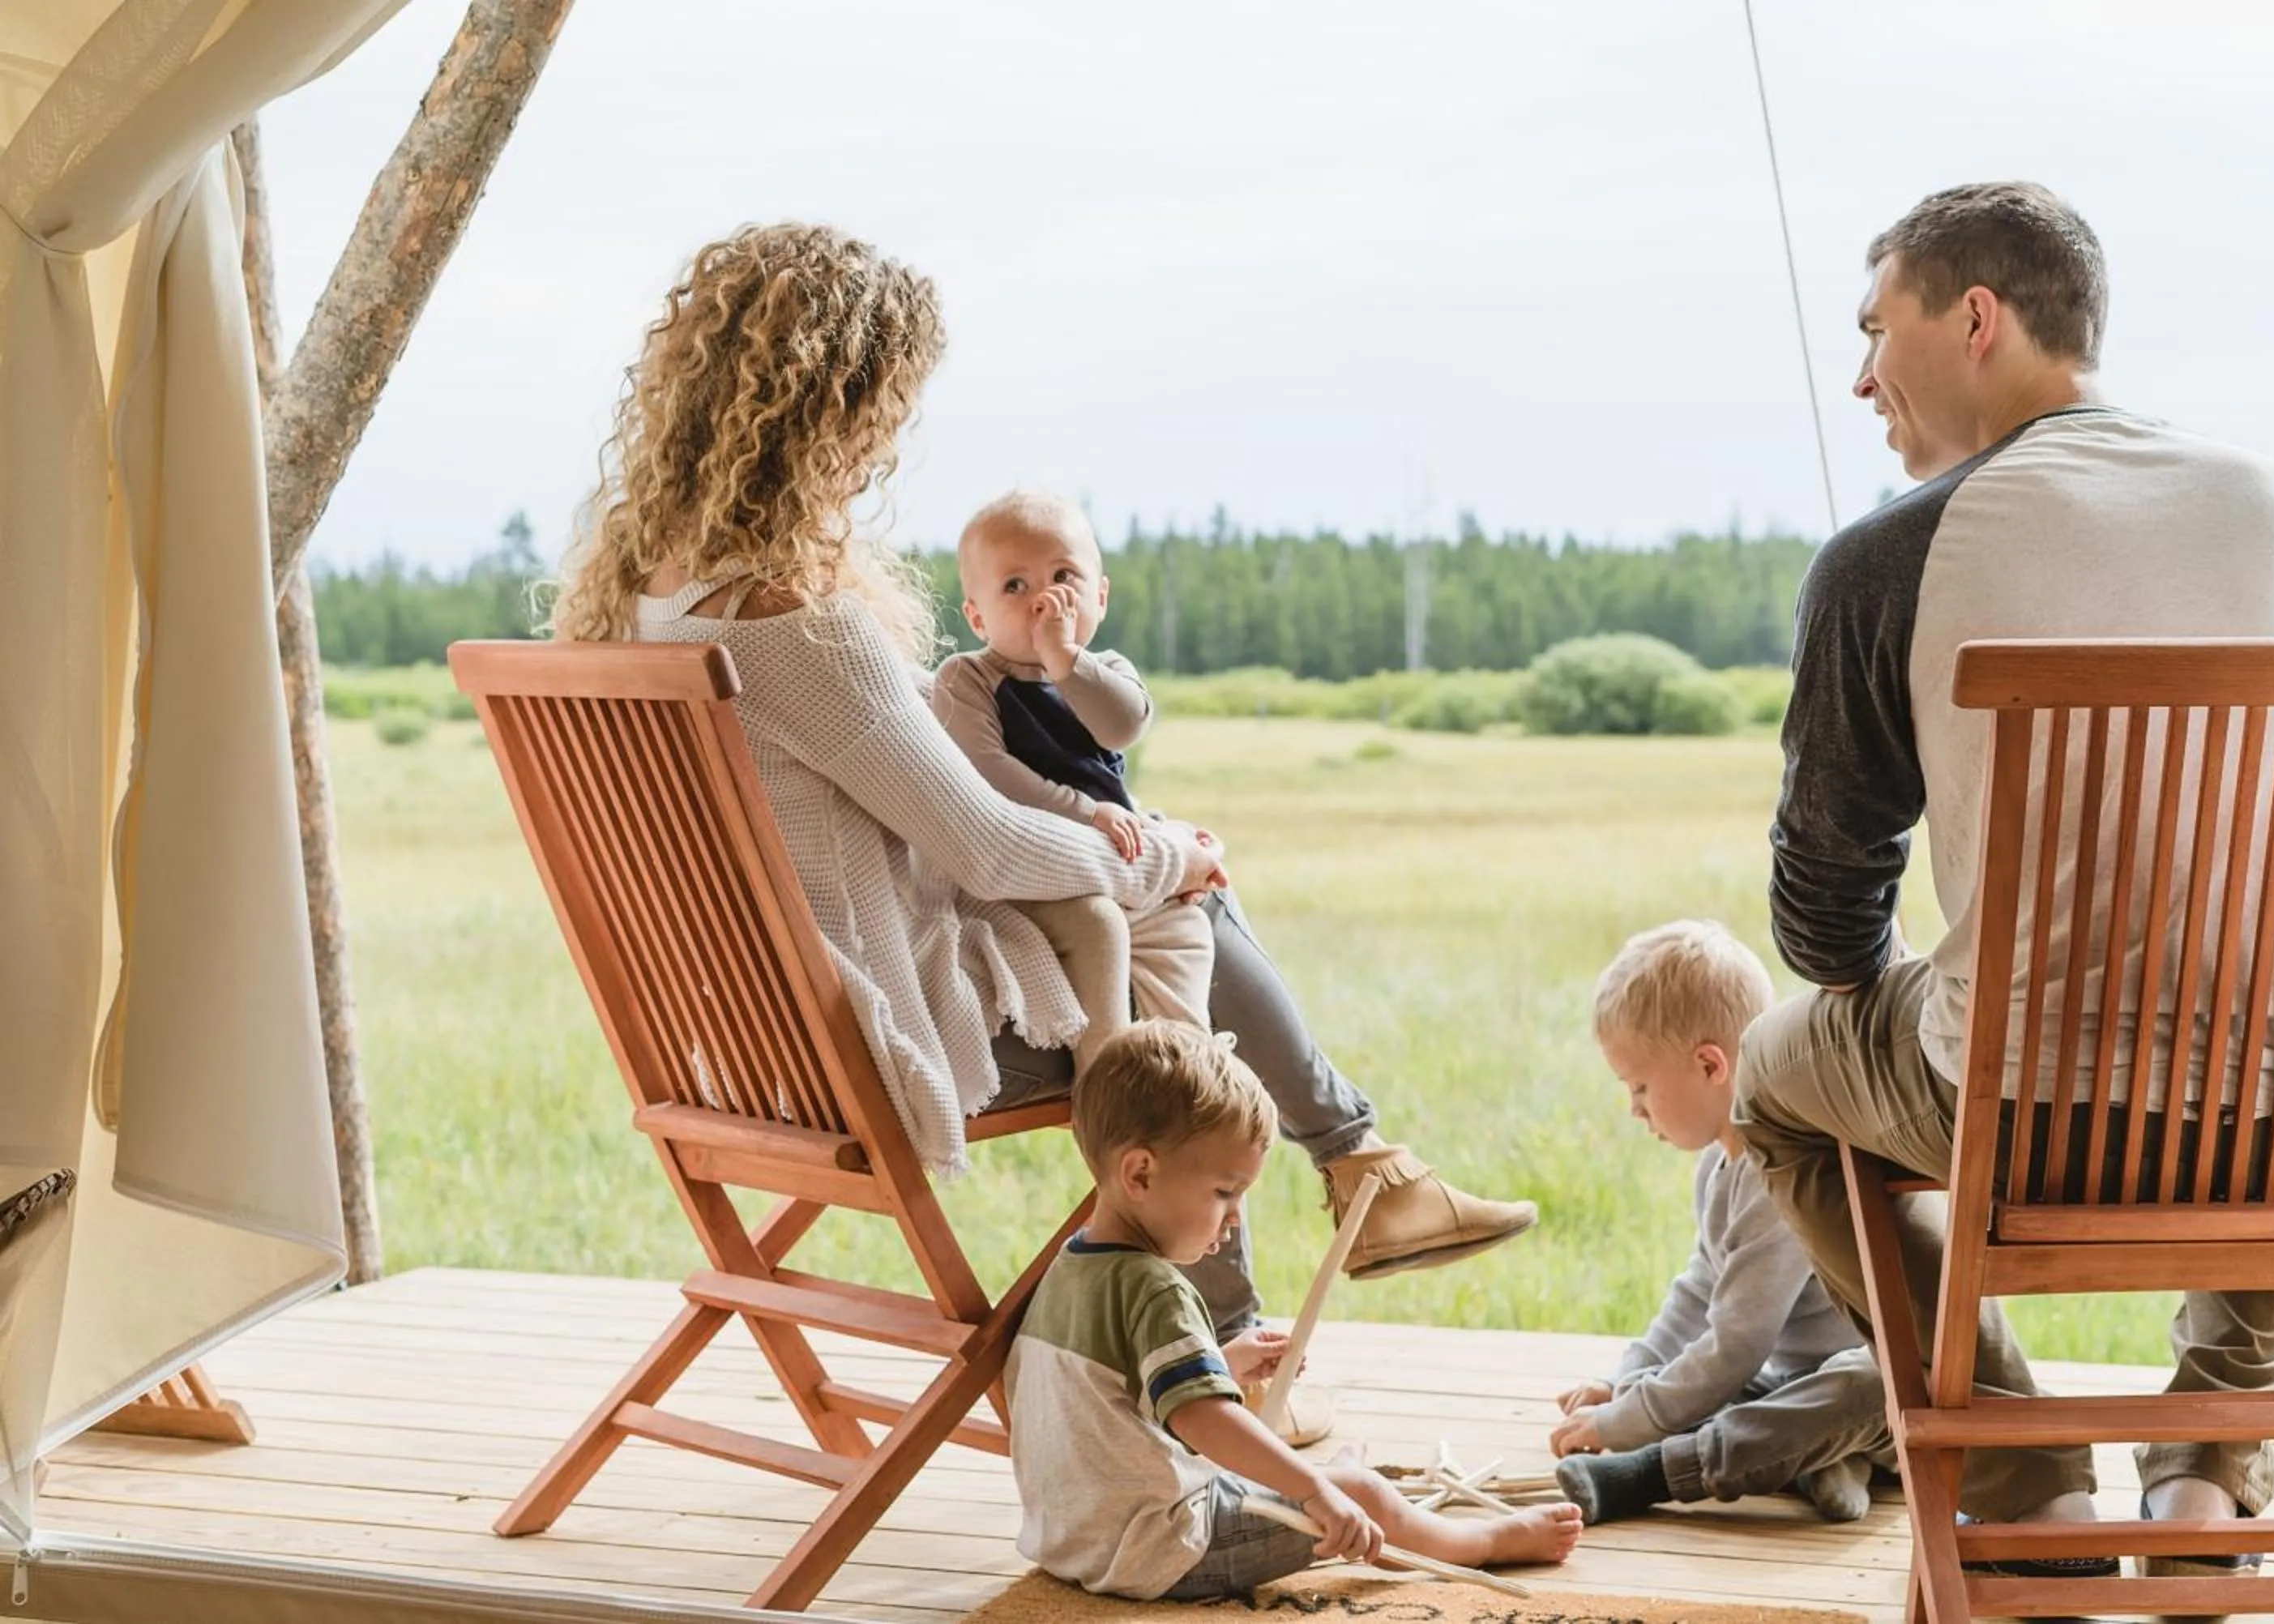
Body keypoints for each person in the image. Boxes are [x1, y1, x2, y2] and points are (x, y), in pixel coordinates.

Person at [548, 223, 1536, 1442]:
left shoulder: (637, 601)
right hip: (879, 1041)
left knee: (1146, 885)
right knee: (1175, 901)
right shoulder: (792, 631)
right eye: (886, 410)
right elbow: (994, 853)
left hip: (734, 1042)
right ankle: (1230, 1325)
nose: (885, 446)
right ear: (838, 413)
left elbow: (950, 811)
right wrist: (1165, 852)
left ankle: (1335, 1203)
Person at [1731, 180, 2274, 1584]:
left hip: (2033, 1123)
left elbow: (1826, 929)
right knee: (2272, 1030)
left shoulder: (1893, 554)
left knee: (1773, 1078)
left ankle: (2026, 1472)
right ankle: (2209, 1469)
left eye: (1875, 330)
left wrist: (1926, 964)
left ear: (1975, 318)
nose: (1859, 377)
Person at [1006, 1020, 1584, 1600]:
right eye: (1224, 1192)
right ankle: (1482, 1543)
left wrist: (1221, 1364)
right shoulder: (1155, 1290)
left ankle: (1333, 1475)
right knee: (1362, 1496)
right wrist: (1317, 1492)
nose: (1234, 1218)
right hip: (1162, 1550)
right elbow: (1203, 1424)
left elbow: (1118, 1409)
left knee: (1278, 1471)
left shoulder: (1067, 1268)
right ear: (1140, 1173)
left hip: (1070, 1541)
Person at [1549, 921, 1891, 1525]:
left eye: (1640, 1087)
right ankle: (1820, 1459)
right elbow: (1702, 1286)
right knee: (1715, 1394)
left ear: (1710, 1066)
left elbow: (1736, 1344)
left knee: (1844, 1387)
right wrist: (1628, 1381)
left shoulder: (1779, 1165)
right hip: (1789, 1380)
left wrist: (1621, 1427)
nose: (1634, 1109)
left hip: (1870, 1385)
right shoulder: (1719, 1162)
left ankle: (1658, 1473)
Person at [932, 489, 1213, 1079]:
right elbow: (990, 776)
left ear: (1100, 597)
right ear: (977, 616)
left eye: (1064, 577)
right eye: (1016, 586)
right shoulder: (968, 680)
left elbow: (1123, 726)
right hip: (1033, 878)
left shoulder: (1107, 671)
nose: (1044, 602)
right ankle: (1106, 1087)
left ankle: (1186, 1076)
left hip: (1117, 865)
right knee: (1098, 926)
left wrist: (1066, 662)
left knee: (1188, 926)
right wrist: (1087, 813)